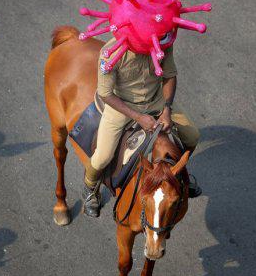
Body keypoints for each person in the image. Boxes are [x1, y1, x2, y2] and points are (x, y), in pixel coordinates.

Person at [82, 36, 201, 217]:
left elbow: (170, 76)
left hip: (157, 101)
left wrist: (167, 109)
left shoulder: (162, 41)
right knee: (102, 157)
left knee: (192, 136)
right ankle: (90, 188)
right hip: (122, 108)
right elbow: (106, 94)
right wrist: (138, 117)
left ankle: (179, 175)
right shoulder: (110, 52)